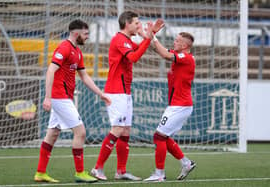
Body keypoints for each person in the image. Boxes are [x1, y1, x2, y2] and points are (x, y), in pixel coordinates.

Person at [34, 19, 111, 183]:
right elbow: (50, 71)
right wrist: (47, 97)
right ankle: (80, 172)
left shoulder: (77, 52)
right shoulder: (64, 48)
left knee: (53, 134)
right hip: (59, 97)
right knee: (80, 132)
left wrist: (100, 93)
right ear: (76, 34)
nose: (88, 37)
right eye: (85, 34)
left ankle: (40, 173)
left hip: (63, 97)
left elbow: (84, 76)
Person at [91, 11, 164, 181]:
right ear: (127, 23)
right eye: (136, 23)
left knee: (125, 131)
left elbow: (139, 49)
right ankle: (97, 168)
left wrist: (149, 36)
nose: (138, 26)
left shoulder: (127, 40)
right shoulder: (119, 39)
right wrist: (147, 37)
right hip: (116, 91)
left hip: (124, 91)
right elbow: (134, 57)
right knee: (117, 129)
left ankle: (121, 171)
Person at [144, 31, 196, 182]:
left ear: (185, 45)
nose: (174, 42)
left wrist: (153, 35)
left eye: (177, 40)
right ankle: (186, 163)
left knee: (159, 136)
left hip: (180, 105)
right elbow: (161, 51)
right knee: (163, 137)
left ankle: (159, 174)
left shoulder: (186, 58)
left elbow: (166, 55)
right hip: (176, 105)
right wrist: (145, 34)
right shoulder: (179, 56)